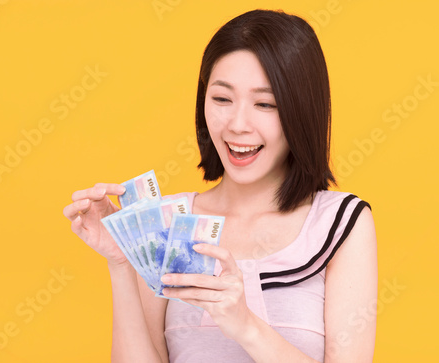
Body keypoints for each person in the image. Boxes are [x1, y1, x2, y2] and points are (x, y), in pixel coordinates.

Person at [63, 9, 377, 363]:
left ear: (301, 111)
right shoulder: (168, 224)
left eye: (265, 103)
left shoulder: (341, 223)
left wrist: (245, 326)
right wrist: (122, 261)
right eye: (222, 99)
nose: (237, 125)